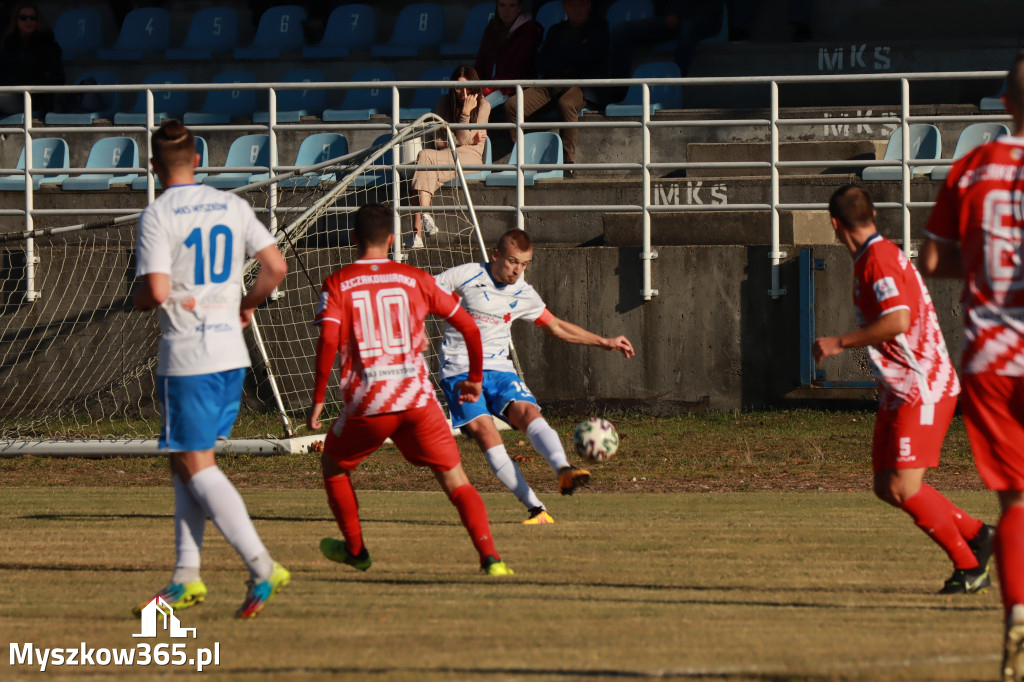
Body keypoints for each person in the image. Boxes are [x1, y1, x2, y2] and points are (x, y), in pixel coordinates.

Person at [131, 120, 291, 619]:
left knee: (195, 464)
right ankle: (186, 576)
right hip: (231, 354)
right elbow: (276, 266)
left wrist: (134, 298)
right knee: (185, 461)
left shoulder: (157, 214)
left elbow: (156, 292)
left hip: (189, 354)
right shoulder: (233, 204)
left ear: (153, 167)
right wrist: (248, 302)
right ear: (198, 160)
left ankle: (262, 564)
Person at [307, 203, 513, 576]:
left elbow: (327, 343)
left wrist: (318, 399)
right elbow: (468, 326)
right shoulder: (416, 278)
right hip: (418, 401)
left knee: (334, 468)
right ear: (391, 239)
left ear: (353, 239)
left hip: (370, 405)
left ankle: (356, 550)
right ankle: (492, 559)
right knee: (455, 480)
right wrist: (476, 378)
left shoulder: (337, 283)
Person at [813, 185, 994, 596]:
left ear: (834, 224)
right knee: (885, 485)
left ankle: (969, 567)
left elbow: (898, 320)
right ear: (873, 213)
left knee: (902, 487)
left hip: (923, 386)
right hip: (901, 387)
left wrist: (839, 342)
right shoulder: (872, 257)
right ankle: (980, 535)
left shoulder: (878, 259)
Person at [920, 50, 1024, 680]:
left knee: (1015, 502)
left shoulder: (976, 164)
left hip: (994, 357)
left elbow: (934, 261)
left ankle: (1018, 619)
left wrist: (985, 273)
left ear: (1005, 102)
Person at [435, 228, 634, 523]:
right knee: (486, 433)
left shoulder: (523, 293)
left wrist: (604, 342)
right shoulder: (465, 275)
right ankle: (536, 508)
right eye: (513, 261)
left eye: (525, 264)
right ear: (496, 255)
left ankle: (564, 470)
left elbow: (556, 326)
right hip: (459, 372)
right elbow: (421, 291)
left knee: (528, 412)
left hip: (499, 369)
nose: (517, 270)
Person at [502, 0, 609, 172]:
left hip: (580, 84)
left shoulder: (600, 27)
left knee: (566, 104)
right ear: (564, 7)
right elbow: (542, 63)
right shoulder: (555, 30)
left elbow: (591, 56)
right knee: (512, 106)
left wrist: (561, 53)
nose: (577, 9)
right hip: (550, 84)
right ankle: (523, 158)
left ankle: (568, 164)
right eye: (572, 5)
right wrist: (575, 53)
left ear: (589, 5)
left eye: (581, 4)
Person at [408, 65, 490, 250]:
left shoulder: (484, 105)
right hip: (446, 154)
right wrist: (466, 137)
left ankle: (416, 234)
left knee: (424, 159)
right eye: (459, 88)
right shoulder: (444, 103)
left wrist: (465, 114)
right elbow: (439, 141)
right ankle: (424, 220)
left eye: (468, 87)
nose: (463, 92)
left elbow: (461, 140)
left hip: (471, 157)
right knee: (423, 166)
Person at [474, 0, 543, 105]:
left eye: (511, 5)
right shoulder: (491, 29)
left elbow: (516, 71)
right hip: (489, 87)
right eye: (502, 5)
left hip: (513, 89)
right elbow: (480, 62)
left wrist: (487, 89)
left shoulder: (530, 31)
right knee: (451, 102)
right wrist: (475, 87)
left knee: (478, 107)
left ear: (519, 8)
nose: (506, 10)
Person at [0, 2, 63, 116]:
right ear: (16, 20)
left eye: (32, 18)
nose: (28, 21)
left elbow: (57, 77)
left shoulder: (47, 45)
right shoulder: (8, 44)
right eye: (23, 18)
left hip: (34, 97)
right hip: (11, 92)